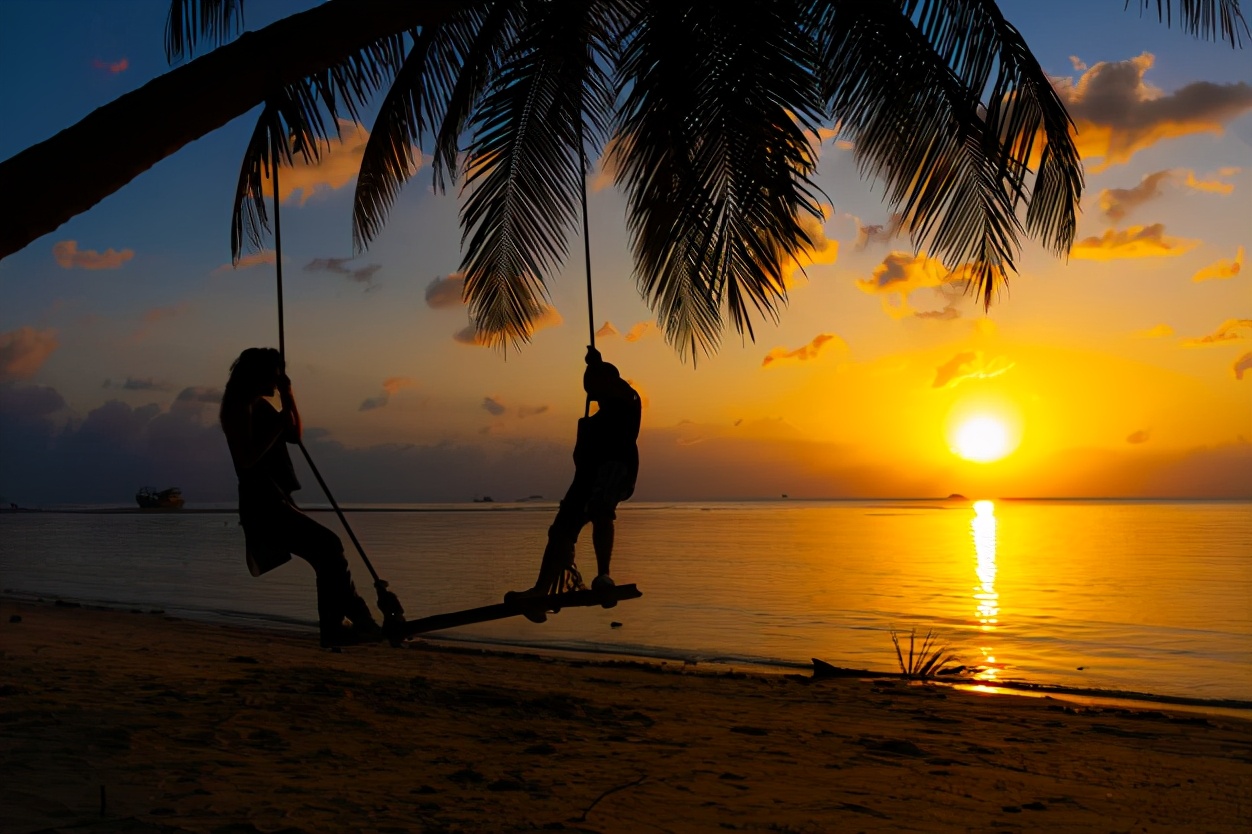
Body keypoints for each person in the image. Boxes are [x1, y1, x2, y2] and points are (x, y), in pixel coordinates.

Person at [219, 347, 383, 648]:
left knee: (326, 554)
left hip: (276, 497)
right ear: (260, 374)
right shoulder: (239, 406)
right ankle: (356, 623)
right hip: (262, 502)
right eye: (276, 373)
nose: (280, 377)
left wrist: (289, 396)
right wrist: (279, 425)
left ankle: (346, 626)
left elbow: (294, 434)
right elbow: (245, 460)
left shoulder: (261, 405)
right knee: (328, 546)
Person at [507, 346, 641, 619]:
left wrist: (597, 363)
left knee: (600, 510)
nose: (589, 390)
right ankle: (542, 589)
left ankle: (604, 574)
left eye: (593, 384)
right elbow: (581, 460)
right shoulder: (590, 421)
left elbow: (618, 388)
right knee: (560, 529)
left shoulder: (628, 403)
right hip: (588, 475)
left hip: (615, 468)